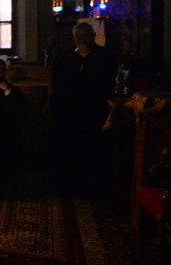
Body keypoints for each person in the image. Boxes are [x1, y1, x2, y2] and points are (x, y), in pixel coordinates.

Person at [50, 21, 119, 197]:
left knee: (92, 151)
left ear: (93, 37)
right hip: (69, 113)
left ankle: (91, 187)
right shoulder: (66, 57)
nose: (82, 40)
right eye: (78, 37)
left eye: (85, 37)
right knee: (70, 150)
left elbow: (107, 83)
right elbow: (57, 83)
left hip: (93, 112)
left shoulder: (105, 57)